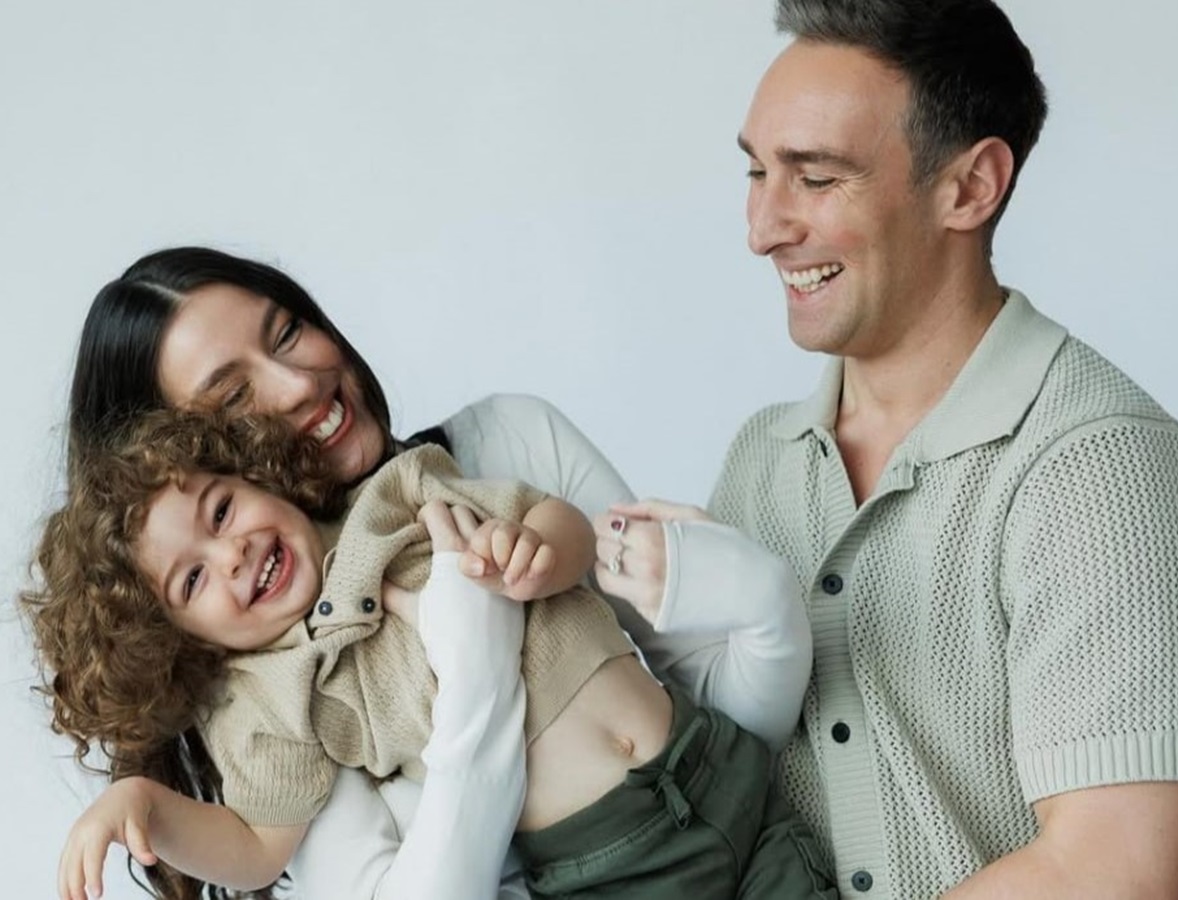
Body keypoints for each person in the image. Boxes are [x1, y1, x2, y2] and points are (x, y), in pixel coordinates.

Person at [685, 0, 1178, 897]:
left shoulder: (1106, 472)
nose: (763, 228)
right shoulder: (763, 461)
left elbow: (1114, 875)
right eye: (757, 171)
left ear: (971, 186)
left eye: (816, 178)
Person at [52, 246, 813, 900]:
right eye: (233, 398)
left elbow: (673, 642)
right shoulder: (270, 693)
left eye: (285, 332)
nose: (295, 386)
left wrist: (558, 555)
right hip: (608, 863)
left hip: (714, 767)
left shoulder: (417, 486)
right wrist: (146, 806)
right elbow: (257, 847)